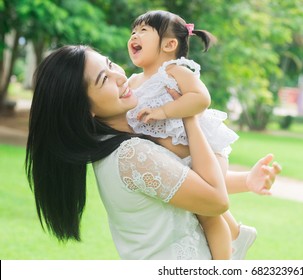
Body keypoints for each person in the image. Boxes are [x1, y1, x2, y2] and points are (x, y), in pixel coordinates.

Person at [25, 45, 281, 260]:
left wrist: (246, 180)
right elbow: (216, 201)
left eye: (111, 64)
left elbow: (188, 183)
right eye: (104, 79)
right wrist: (188, 116)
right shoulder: (132, 156)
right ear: (83, 109)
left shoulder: (124, 143)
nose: (119, 76)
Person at [125, 10, 265, 260]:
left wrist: (164, 111)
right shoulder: (134, 81)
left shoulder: (174, 71)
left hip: (207, 151)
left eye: (143, 31)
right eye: (133, 32)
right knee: (202, 200)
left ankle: (226, 260)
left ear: (169, 45)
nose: (134, 36)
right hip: (180, 163)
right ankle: (238, 234)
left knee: (208, 213)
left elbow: (201, 98)